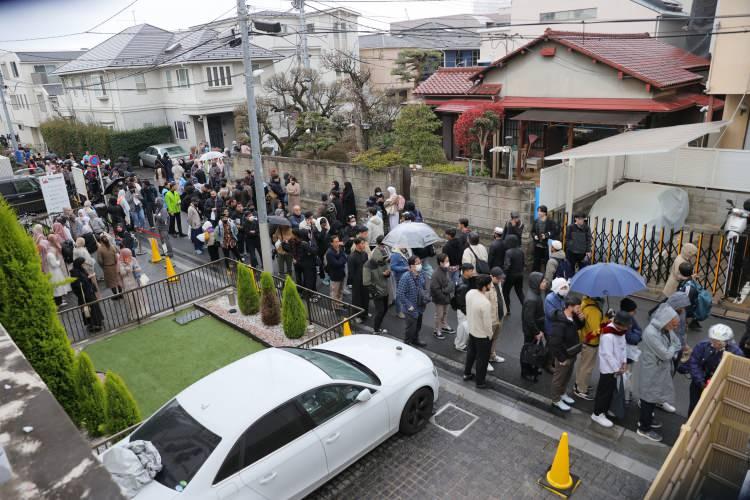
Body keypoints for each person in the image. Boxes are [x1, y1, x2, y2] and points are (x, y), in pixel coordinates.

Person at [637, 304, 681, 442]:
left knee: (652, 397)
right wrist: (672, 347)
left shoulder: (664, 329)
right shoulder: (651, 333)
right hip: (652, 370)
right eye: (673, 324)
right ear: (666, 320)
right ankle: (644, 428)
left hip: (658, 369)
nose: (674, 328)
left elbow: (677, 343)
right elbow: (666, 355)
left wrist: (672, 347)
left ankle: (647, 419)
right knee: (648, 398)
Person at [686, 324, 742, 415]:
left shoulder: (736, 353)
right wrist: (700, 382)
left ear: (726, 341)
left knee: (712, 409)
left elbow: (737, 371)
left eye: (718, 342)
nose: (714, 344)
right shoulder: (702, 345)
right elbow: (694, 363)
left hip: (719, 386)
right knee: (694, 406)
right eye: (713, 340)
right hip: (699, 383)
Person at [591, 311, 632, 428]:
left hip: (617, 367)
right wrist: (617, 368)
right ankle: (597, 413)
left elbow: (623, 348)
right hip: (608, 369)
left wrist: (624, 362)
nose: (627, 328)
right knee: (604, 392)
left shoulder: (620, 332)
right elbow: (607, 355)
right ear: (620, 324)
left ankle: (605, 410)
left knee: (611, 391)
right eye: (626, 325)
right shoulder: (608, 335)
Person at [549, 295, 586, 411]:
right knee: (559, 378)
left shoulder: (573, 317)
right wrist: (561, 358)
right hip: (564, 356)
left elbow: (578, 327)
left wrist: (581, 320)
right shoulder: (560, 322)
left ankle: (562, 393)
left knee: (567, 376)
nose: (579, 310)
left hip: (571, 353)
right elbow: (554, 343)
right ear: (570, 307)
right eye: (578, 307)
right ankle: (555, 400)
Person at [463, 274, 494, 389]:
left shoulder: (470, 293)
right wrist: (490, 335)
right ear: (485, 286)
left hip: (472, 330)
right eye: (490, 284)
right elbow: (487, 324)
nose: (491, 286)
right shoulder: (485, 303)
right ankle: (480, 382)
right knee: (482, 359)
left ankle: (467, 373)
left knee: (471, 354)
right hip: (482, 335)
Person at [573, 296, 606, 401]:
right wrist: (607, 320)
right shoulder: (594, 310)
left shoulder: (584, 302)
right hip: (591, 342)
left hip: (583, 338)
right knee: (587, 368)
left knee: (582, 365)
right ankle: (581, 389)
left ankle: (579, 383)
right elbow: (596, 331)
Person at [521, 272, 548, 382]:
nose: (545, 283)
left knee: (533, 350)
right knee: (528, 350)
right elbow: (529, 319)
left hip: (535, 329)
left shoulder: (536, 293)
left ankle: (532, 368)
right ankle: (525, 372)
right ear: (536, 282)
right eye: (543, 281)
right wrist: (537, 332)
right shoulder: (532, 299)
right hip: (531, 331)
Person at [397, 255, 428, 347]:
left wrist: (425, 297)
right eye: (417, 263)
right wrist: (408, 305)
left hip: (420, 306)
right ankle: (407, 344)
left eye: (420, 262)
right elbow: (400, 293)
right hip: (411, 308)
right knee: (411, 328)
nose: (420, 264)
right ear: (411, 266)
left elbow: (424, 287)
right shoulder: (405, 277)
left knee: (418, 326)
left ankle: (415, 340)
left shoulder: (421, 273)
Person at [363, 235, 391, 334]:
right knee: (380, 311)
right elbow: (366, 282)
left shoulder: (383, 262)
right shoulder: (368, 266)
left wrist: (387, 274)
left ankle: (378, 326)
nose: (384, 261)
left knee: (385, 309)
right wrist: (375, 293)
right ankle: (376, 329)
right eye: (382, 259)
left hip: (385, 290)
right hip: (377, 291)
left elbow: (386, 272)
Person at [70, 257, 104, 333]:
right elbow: (77, 284)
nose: (84, 265)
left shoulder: (81, 269)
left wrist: (88, 277)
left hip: (89, 292)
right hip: (84, 295)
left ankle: (97, 322)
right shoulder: (74, 273)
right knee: (90, 309)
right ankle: (93, 325)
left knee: (94, 307)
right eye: (82, 263)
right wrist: (88, 278)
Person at [620, 297, 643, 403]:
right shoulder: (625, 321)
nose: (635, 312)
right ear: (627, 311)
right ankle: (625, 397)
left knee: (628, 375)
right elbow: (631, 338)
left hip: (630, 353)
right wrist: (637, 334)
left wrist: (636, 334)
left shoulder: (631, 319)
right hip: (626, 354)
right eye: (633, 310)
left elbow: (639, 330)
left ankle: (626, 394)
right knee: (626, 375)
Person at [118, 248, 150, 320]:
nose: (130, 255)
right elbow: (122, 273)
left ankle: (143, 312)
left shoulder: (133, 259)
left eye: (130, 254)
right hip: (127, 283)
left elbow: (139, 268)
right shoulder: (120, 263)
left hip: (136, 281)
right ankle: (134, 315)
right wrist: (128, 268)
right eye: (128, 254)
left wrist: (134, 269)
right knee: (131, 300)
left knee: (139, 297)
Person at [430, 253, 455, 339]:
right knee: (439, 315)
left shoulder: (445, 270)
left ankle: (444, 325)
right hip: (440, 299)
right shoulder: (436, 274)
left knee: (445, 313)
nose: (448, 263)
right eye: (446, 261)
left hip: (446, 297)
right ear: (441, 263)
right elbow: (435, 289)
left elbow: (449, 283)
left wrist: (447, 290)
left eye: (448, 261)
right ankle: (437, 330)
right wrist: (445, 293)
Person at [453, 263, 475, 352]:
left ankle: (458, 342)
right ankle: (460, 345)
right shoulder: (463, 285)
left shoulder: (464, 279)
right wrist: (467, 312)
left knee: (461, 327)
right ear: (465, 272)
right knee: (463, 328)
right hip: (463, 310)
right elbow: (461, 302)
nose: (472, 272)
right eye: (471, 271)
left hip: (463, 309)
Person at [41, 240, 71, 307]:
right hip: (55, 272)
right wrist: (59, 261)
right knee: (57, 287)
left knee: (57, 287)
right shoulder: (50, 255)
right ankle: (59, 302)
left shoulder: (47, 254)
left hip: (54, 272)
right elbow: (54, 264)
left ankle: (59, 300)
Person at [488, 267, 507, 366]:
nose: (501, 280)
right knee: (487, 340)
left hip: (500, 316)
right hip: (491, 318)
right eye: (498, 278)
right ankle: (485, 360)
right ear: (492, 276)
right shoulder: (486, 286)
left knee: (495, 338)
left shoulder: (498, 283)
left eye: (501, 278)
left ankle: (492, 355)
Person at [348, 237, 370, 322]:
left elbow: (367, 266)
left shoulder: (365, 254)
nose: (364, 245)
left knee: (365, 297)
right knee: (357, 298)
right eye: (362, 243)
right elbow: (351, 272)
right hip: (356, 281)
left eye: (364, 243)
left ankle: (364, 313)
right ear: (357, 245)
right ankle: (356, 316)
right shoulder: (352, 257)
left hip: (365, 279)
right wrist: (354, 282)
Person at [502, 234, 525, 313]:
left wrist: (504, 276)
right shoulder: (521, 251)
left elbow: (507, 266)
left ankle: (507, 309)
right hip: (520, 275)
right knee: (520, 292)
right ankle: (526, 308)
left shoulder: (508, 252)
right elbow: (523, 263)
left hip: (511, 276)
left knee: (505, 292)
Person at [531, 205, 558, 272]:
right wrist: (534, 236)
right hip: (537, 244)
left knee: (547, 261)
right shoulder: (536, 221)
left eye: (540, 211)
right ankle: (536, 274)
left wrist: (546, 235)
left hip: (547, 245)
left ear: (545, 212)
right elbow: (532, 231)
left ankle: (546, 275)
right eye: (538, 211)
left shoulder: (550, 222)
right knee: (536, 261)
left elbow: (554, 231)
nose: (539, 213)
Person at [325, 235, 348, 303]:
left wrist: (341, 259)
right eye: (336, 242)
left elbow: (345, 258)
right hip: (334, 276)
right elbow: (337, 264)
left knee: (340, 291)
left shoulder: (340, 249)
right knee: (334, 292)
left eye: (338, 241)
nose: (338, 243)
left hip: (341, 274)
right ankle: (334, 306)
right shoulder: (329, 253)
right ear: (331, 243)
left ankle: (339, 302)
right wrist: (342, 258)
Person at [390, 247, 411, 317]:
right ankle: (399, 311)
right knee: (399, 294)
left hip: (407, 276)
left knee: (407, 293)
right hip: (400, 277)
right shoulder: (396, 254)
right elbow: (393, 267)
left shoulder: (406, 250)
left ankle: (405, 308)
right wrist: (405, 268)